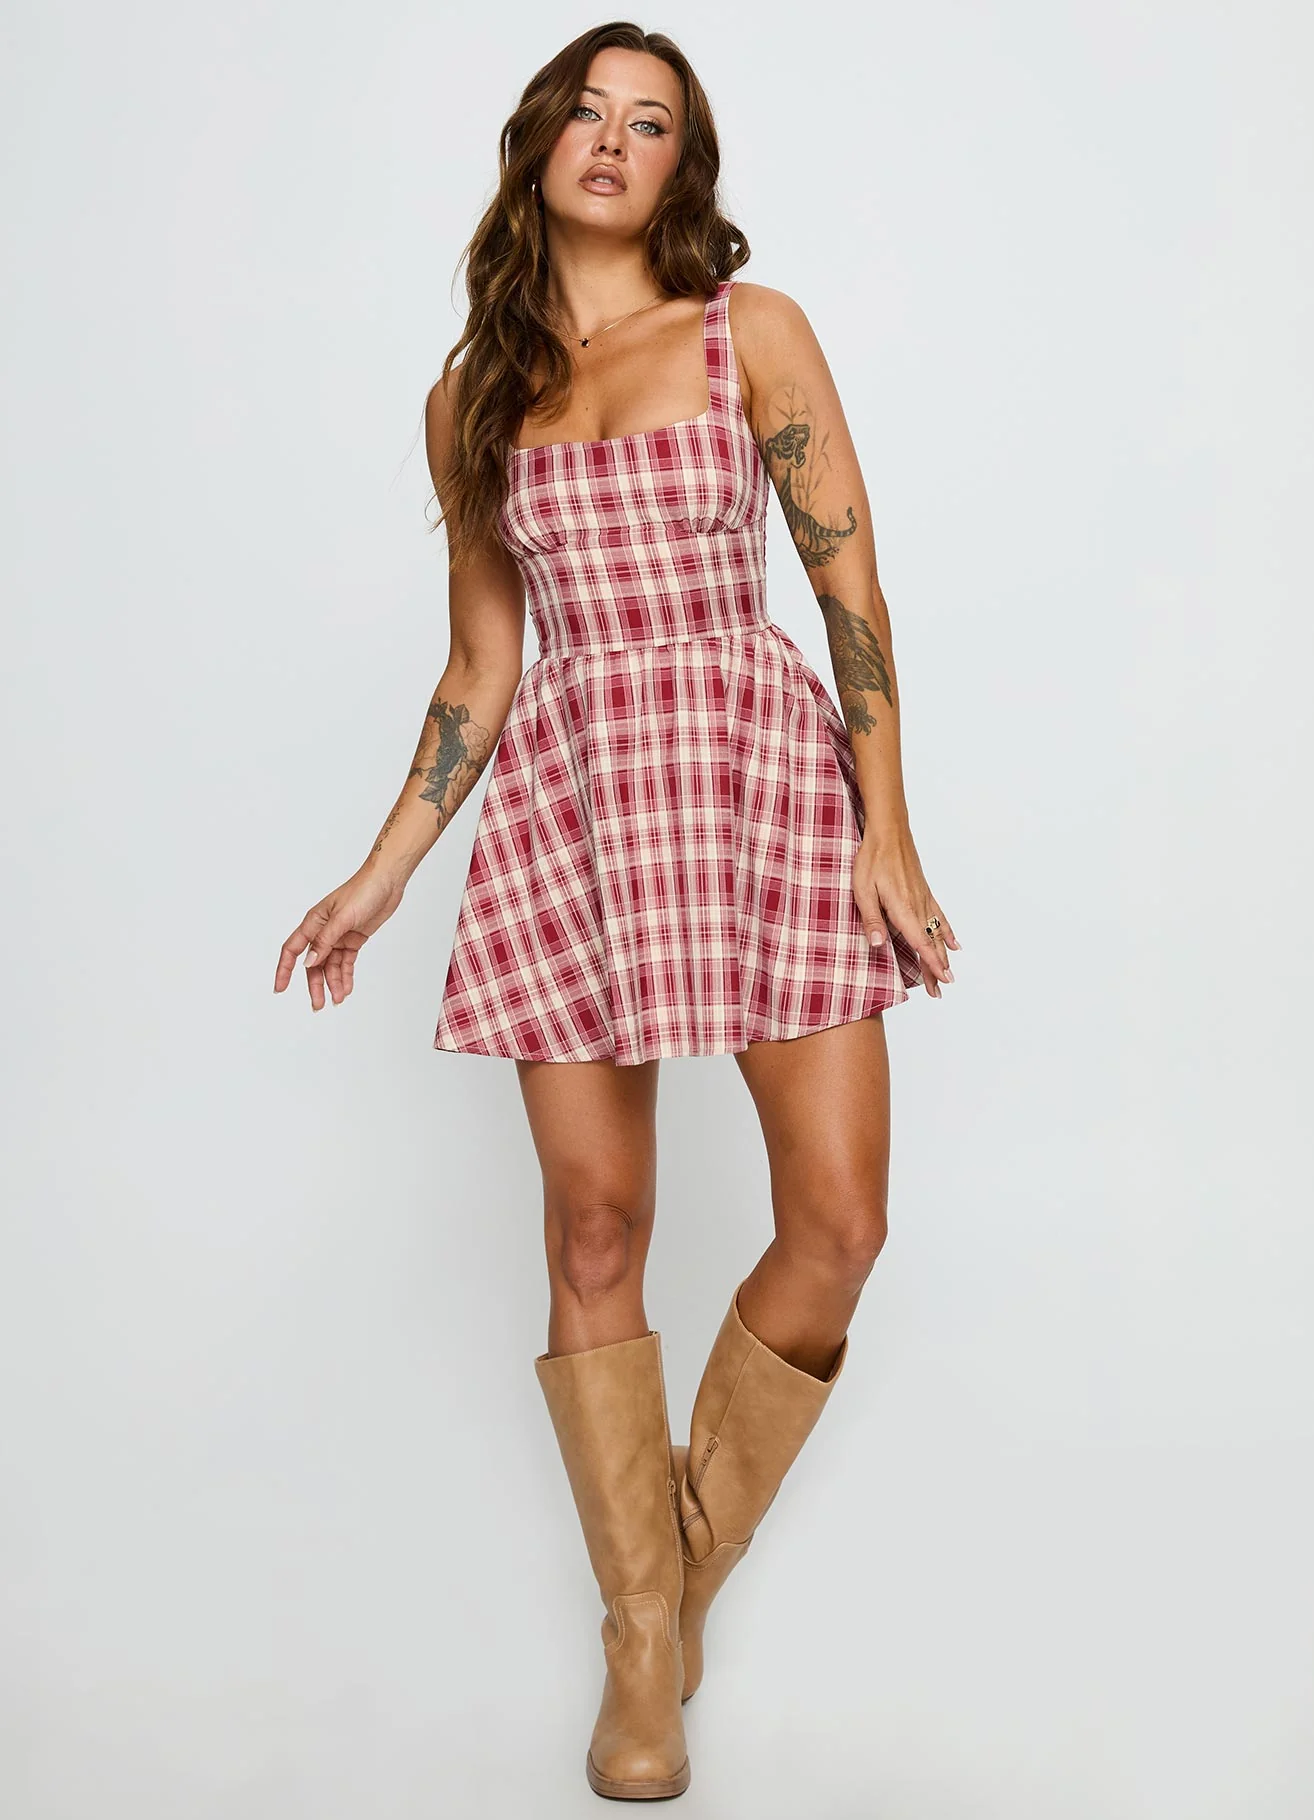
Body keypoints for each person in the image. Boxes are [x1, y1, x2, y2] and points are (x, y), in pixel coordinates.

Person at [275, 20, 959, 1803]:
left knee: (840, 1223)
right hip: (572, 803)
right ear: (539, 142)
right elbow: (481, 664)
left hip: (757, 776)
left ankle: (678, 1567)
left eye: (650, 124)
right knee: (595, 1227)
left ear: (680, 170)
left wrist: (888, 830)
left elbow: (851, 590)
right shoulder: (473, 399)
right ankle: (642, 1645)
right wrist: (379, 875)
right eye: (588, 110)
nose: (612, 139)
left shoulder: (751, 332)